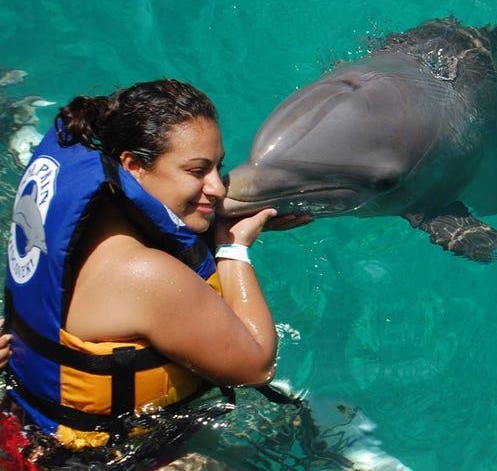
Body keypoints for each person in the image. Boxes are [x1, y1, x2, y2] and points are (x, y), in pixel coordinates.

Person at [0, 79, 309, 467]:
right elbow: (256, 366)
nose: (216, 187)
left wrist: (209, 224)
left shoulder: (89, 217)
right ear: (132, 165)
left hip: (23, 428)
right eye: (197, 170)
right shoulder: (142, 273)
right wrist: (233, 248)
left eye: (219, 167)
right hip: (81, 459)